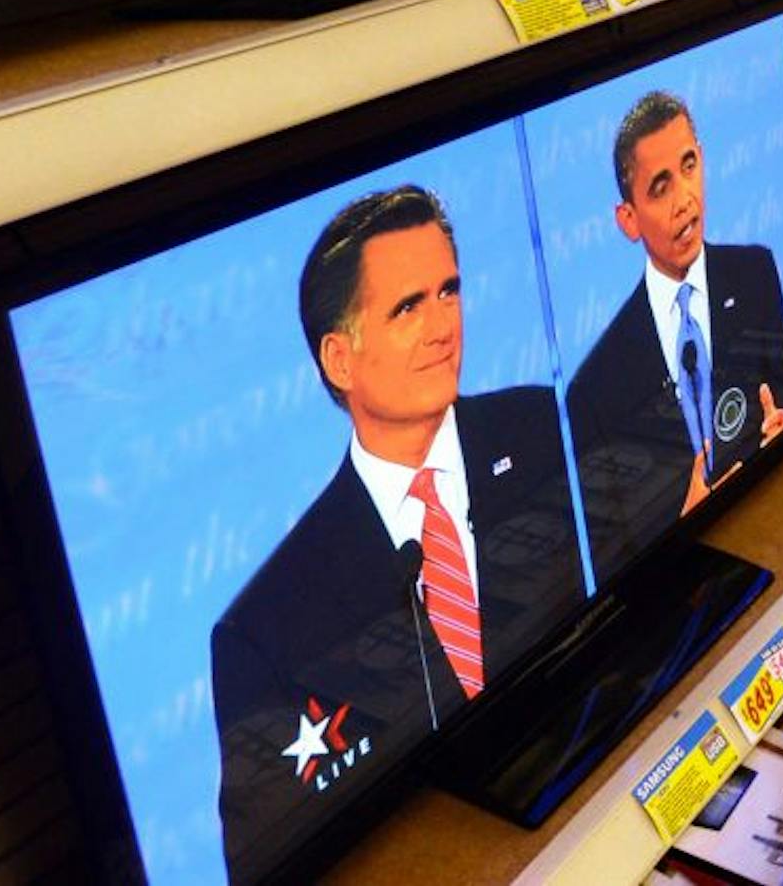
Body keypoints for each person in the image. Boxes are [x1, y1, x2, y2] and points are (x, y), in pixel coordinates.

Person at [210, 187, 585, 882]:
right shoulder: (262, 630)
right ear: (339, 359)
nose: (444, 326)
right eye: (409, 306)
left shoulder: (544, 429)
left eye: (449, 292)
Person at [563, 91, 783, 583]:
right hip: (683, 586)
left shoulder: (754, 273)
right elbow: (613, 565)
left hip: (779, 527)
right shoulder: (595, 385)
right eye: (660, 187)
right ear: (627, 220)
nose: (685, 199)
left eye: (690, 165)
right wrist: (677, 526)